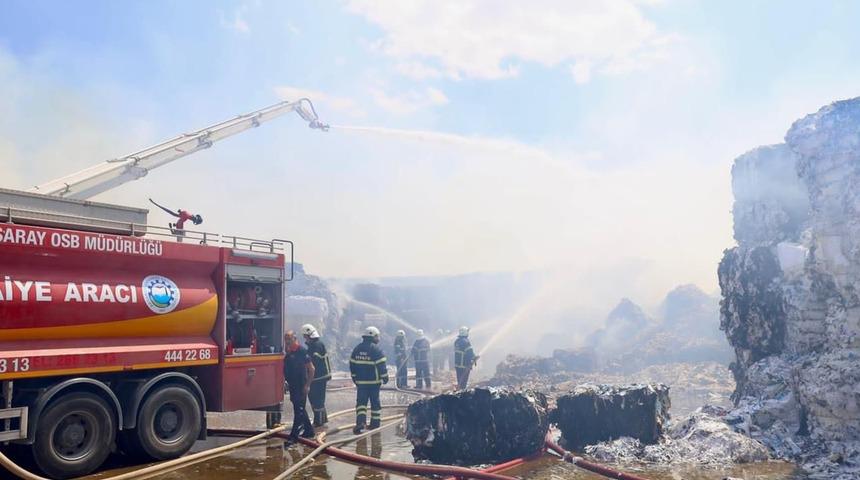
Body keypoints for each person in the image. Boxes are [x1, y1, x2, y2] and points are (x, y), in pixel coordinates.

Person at [349, 326, 388, 434]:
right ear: (373, 336)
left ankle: (360, 423)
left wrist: (354, 377)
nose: (378, 338)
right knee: (375, 403)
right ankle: (375, 424)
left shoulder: (357, 349)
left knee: (361, 404)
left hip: (361, 383)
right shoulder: (376, 349)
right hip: (374, 383)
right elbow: (381, 366)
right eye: (377, 336)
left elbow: (352, 365)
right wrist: (385, 377)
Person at [283, 330, 315, 441]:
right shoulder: (288, 352)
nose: (287, 341)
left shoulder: (302, 351)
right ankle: (309, 431)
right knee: (299, 408)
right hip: (292, 386)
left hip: (301, 385)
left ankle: (293, 436)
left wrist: (307, 385)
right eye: (286, 339)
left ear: (294, 338)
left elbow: (312, 369)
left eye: (289, 339)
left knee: (299, 410)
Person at [302, 324, 331, 427]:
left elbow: (314, 361)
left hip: (319, 377)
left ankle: (319, 422)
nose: (304, 338)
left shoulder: (316, 346)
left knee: (317, 399)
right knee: (317, 399)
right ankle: (322, 419)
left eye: (305, 336)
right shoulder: (314, 345)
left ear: (309, 335)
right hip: (318, 376)